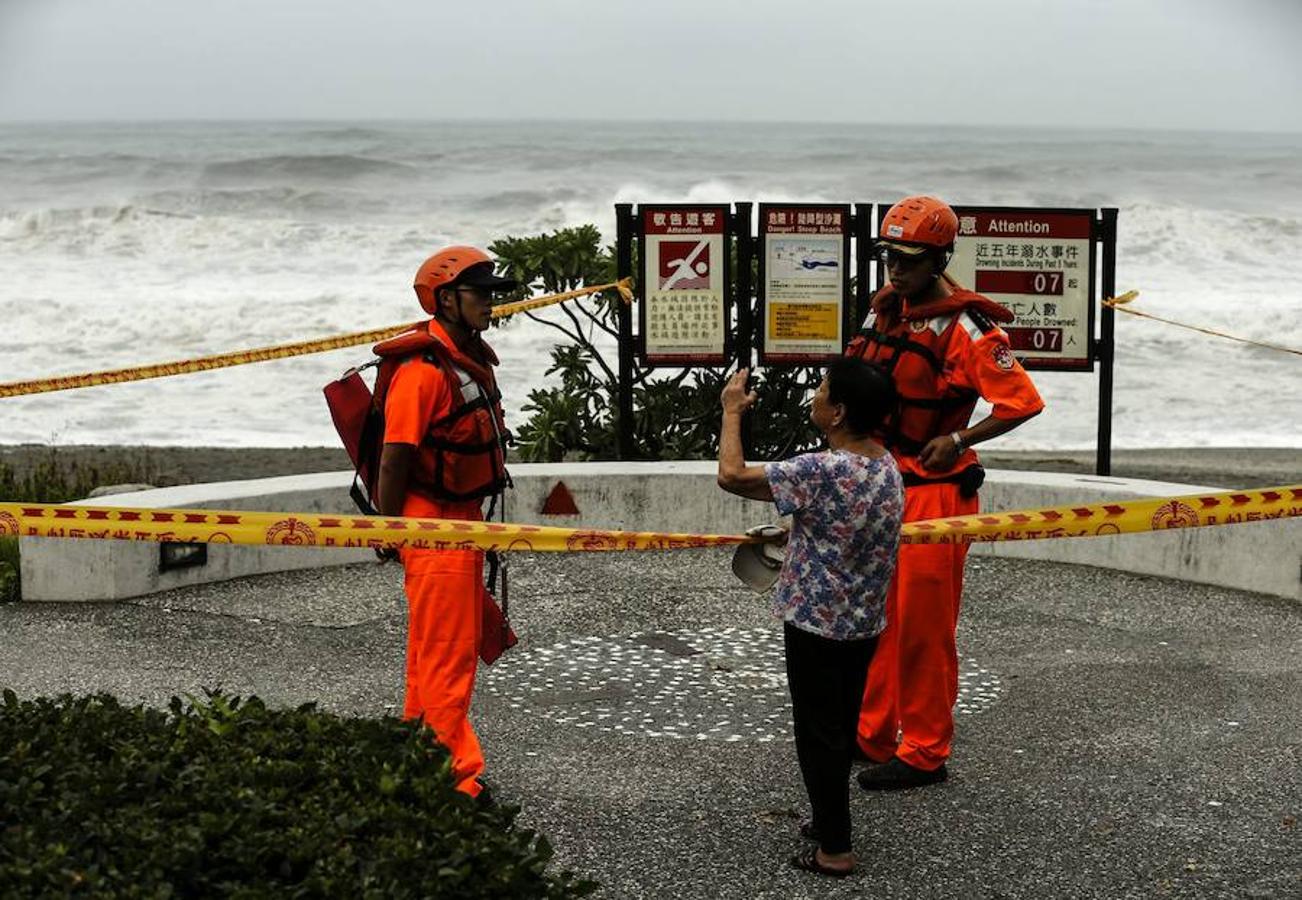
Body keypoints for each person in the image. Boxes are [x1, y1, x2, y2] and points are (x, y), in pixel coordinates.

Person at [845, 196, 1045, 790]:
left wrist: (959, 438)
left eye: (908, 259)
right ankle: (873, 732)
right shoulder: (884, 313)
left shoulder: (971, 330)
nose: (895, 269)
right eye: (888, 257)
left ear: (939, 260)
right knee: (877, 619)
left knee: (925, 628)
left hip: (936, 495)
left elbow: (1022, 401)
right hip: (883, 484)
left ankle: (926, 749)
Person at [717, 358, 904, 878]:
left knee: (818, 734)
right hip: (863, 621)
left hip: (816, 625)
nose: (815, 397)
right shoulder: (885, 467)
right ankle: (827, 820)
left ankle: (835, 849)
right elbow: (846, 531)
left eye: (822, 391)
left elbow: (731, 475)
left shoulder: (821, 471)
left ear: (838, 412)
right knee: (839, 726)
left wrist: (732, 411)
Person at [374, 245, 517, 800]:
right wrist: (392, 530)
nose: (489, 304)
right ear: (445, 299)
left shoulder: (463, 359)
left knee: (431, 650)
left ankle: (418, 753)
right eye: (479, 294)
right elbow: (395, 456)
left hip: (459, 520)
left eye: (491, 295)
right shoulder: (422, 371)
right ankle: (455, 779)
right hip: (431, 525)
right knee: (447, 656)